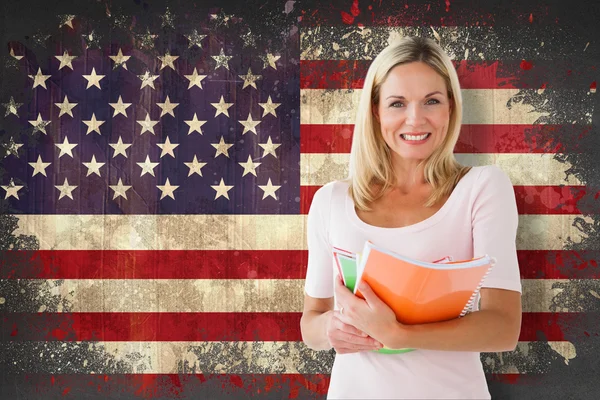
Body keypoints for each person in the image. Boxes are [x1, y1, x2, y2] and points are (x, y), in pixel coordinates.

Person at [300, 36, 522, 399]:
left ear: (451, 106)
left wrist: (399, 334)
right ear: (376, 111)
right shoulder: (331, 201)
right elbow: (311, 321)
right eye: (397, 103)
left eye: (431, 101)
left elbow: (503, 327)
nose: (415, 119)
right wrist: (331, 328)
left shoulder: (482, 188)